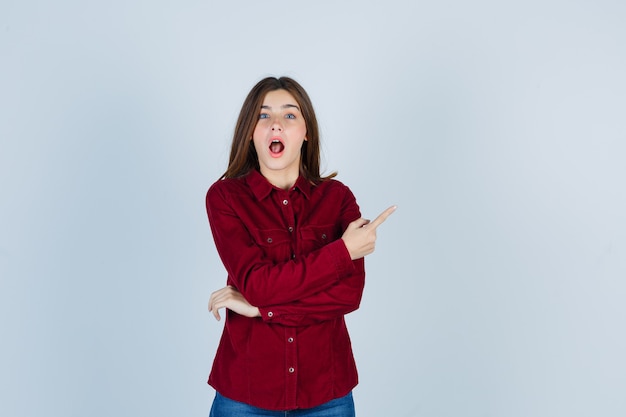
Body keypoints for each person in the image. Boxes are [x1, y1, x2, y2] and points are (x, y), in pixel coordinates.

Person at [205, 76, 395, 416]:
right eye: (263, 115)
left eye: (289, 115)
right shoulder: (224, 198)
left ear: (306, 132)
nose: (276, 123)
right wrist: (343, 252)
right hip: (246, 393)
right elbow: (257, 284)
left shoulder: (338, 200)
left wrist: (262, 310)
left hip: (327, 391)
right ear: (250, 131)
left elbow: (348, 294)